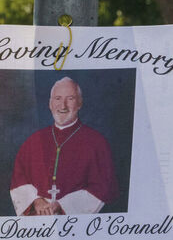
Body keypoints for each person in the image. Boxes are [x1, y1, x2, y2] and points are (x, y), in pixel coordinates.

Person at [9, 77, 119, 216]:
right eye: (58, 99)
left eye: (70, 98)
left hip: (76, 224)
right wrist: (36, 201)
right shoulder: (33, 141)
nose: (63, 106)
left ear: (80, 103)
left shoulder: (97, 143)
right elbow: (19, 178)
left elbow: (103, 187)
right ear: (50, 104)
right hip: (36, 221)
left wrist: (62, 205)